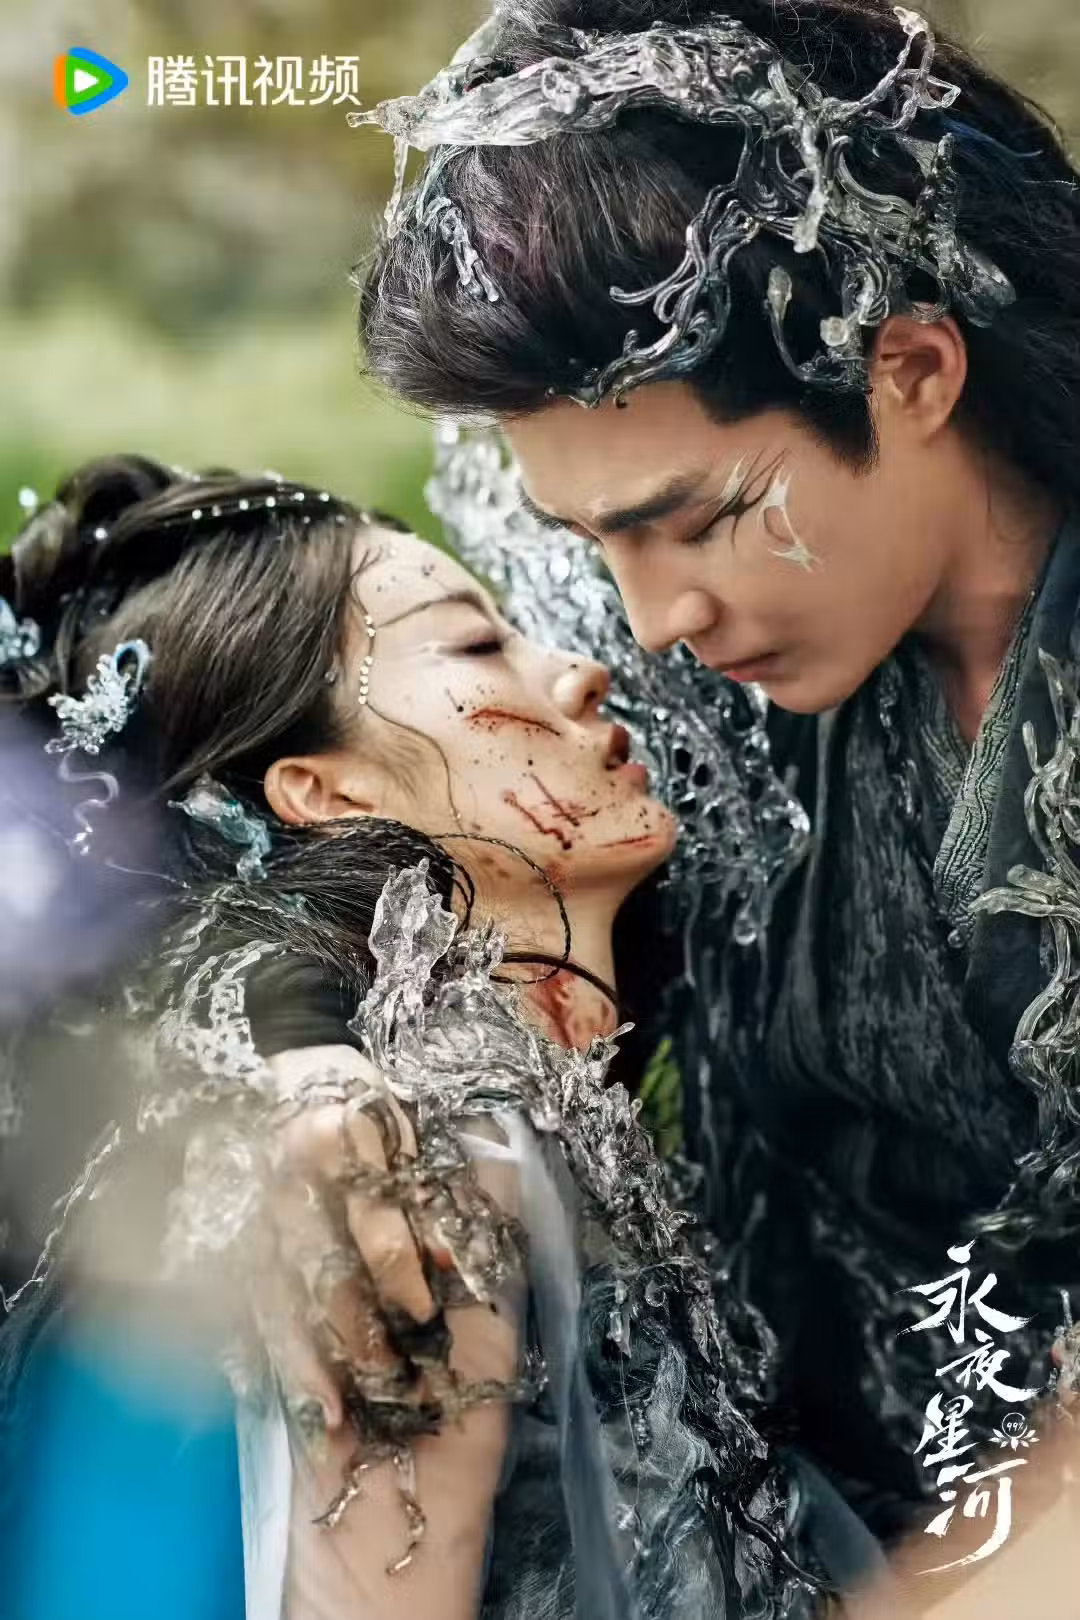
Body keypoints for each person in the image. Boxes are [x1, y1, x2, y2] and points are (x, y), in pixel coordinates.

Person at [355, 0, 1080, 1567]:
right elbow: (381, 840)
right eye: (591, 542)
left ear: (911, 368)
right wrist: (306, 1081)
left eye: (695, 521)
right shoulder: (693, 683)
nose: (650, 621)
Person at [0, 455, 870, 1619]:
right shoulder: (419, 1163)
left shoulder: (526, 1100)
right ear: (325, 792)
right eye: (476, 643)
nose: (581, 670)